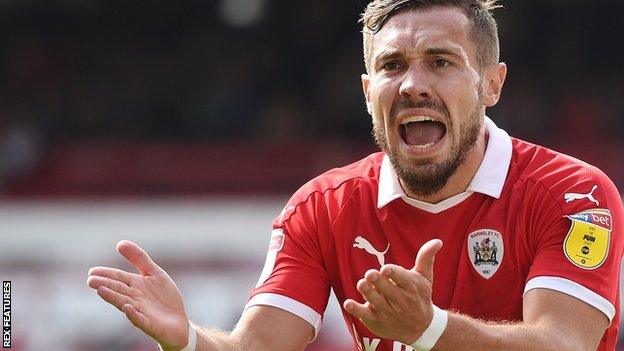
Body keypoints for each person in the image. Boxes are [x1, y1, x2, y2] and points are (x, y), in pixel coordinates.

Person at [86, 1, 624, 350]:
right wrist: (189, 341)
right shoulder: (323, 207)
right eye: (392, 66)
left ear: (492, 84)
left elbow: (563, 344)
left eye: (440, 62)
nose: (413, 84)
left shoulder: (575, 194)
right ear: (368, 93)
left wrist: (429, 329)